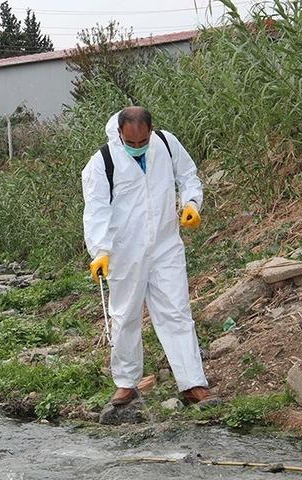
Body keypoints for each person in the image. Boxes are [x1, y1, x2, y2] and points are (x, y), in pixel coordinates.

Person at [81, 106, 219, 409]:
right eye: (130, 143)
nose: (137, 147)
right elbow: (96, 210)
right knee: (125, 315)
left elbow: (188, 176)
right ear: (120, 133)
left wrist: (192, 204)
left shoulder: (167, 144)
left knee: (177, 311)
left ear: (151, 130)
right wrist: (100, 252)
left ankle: (192, 384)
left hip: (165, 244)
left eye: (142, 142)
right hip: (124, 251)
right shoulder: (102, 161)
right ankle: (126, 384)